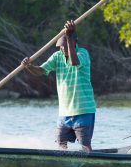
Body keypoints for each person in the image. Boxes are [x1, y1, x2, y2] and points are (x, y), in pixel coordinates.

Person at [22, 20, 96, 151]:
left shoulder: (83, 53)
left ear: (74, 42)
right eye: (61, 46)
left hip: (83, 111)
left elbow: (74, 62)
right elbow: (40, 71)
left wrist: (68, 36)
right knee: (61, 146)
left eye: (66, 45)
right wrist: (29, 66)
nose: (63, 48)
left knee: (85, 145)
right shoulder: (57, 56)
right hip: (64, 113)